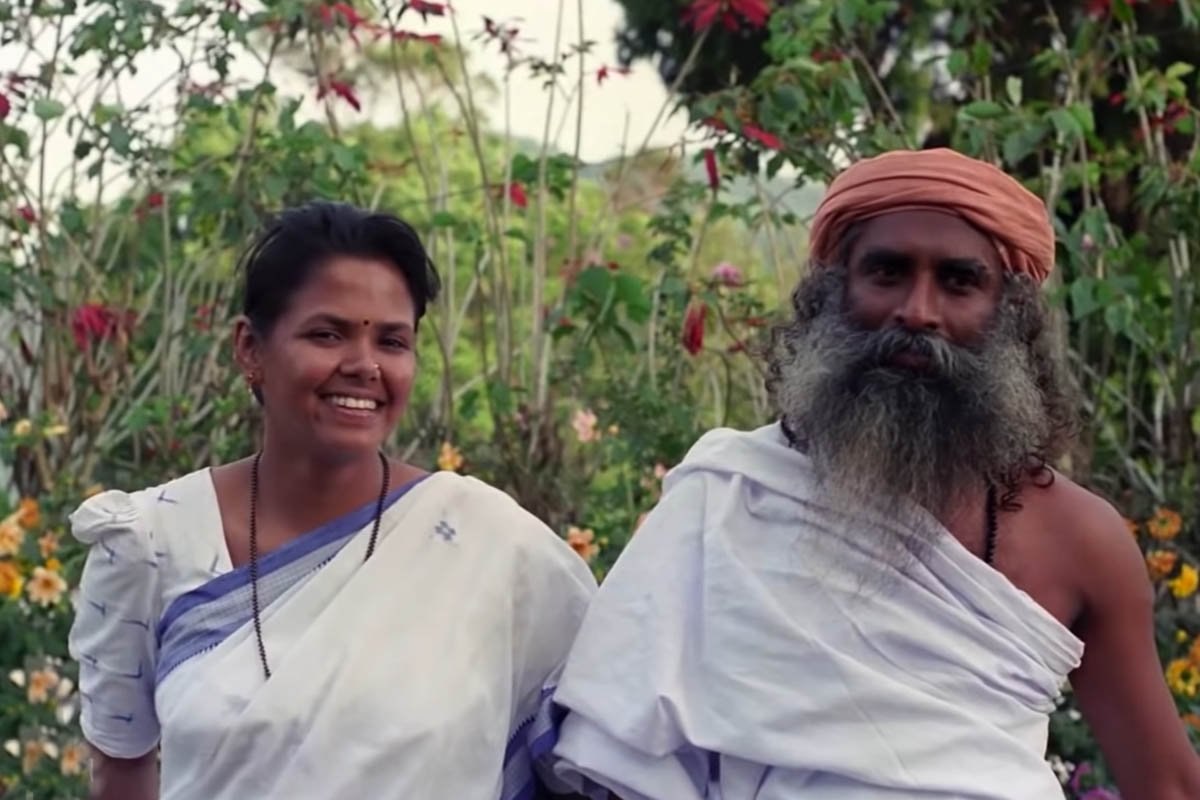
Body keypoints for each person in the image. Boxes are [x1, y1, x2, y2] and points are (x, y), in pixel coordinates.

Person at [548, 149, 1200, 799]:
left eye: (959, 281)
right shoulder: (728, 497)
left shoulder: (1081, 539)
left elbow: (1167, 784)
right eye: (886, 273)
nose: (917, 310)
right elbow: (613, 761)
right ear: (835, 292)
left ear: (1012, 315)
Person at [67, 201, 596, 800]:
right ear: (250, 349)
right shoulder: (150, 541)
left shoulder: (494, 546)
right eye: (327, 333)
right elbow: (121, 768)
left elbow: (596, 744)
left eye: (393, 341)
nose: (364, 366)